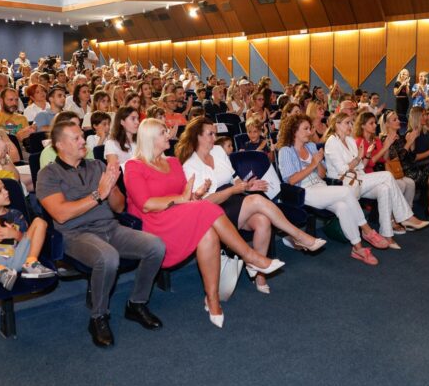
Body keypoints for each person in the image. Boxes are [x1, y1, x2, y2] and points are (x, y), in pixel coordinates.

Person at [124, 119, 284, 328]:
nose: (169, 135)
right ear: (150, 138)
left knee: (208, 233)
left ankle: (212, 298)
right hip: (154, 221)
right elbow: (146, 205)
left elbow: (186, 196)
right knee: (207, 208)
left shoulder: (172, 162)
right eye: (163, 132)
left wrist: (196, 194)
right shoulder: (134, 166)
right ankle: (251, 256)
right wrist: (183, 199)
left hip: (177, 215)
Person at [37, 121, 166, 347]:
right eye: (76, 138)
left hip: (110, 227)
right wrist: (98, 194)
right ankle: (98, 316)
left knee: (155, 246)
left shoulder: (97, 165)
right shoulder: (48, 174)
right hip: (75, 234)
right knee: (108, 257)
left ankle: (136, 303)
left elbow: (118, 207)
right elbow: (61, 214)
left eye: (82, 136)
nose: (83, 141)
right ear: (60, 145)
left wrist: (112, 188)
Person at [177, 117, 325, 293]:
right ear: (198, 136)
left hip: (235, 201)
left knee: (263, 220)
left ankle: (260, 274)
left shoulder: (217, 150)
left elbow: (234, 178)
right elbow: (204, 202)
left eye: (215, 133)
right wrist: (234, 190)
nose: (214, 138)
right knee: (256, 200)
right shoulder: (190, 164)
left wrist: (247, 186)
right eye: (210, 134)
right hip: (214, 212)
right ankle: (298, 236)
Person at [278, 114, 392, 265]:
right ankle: (367, 230)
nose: (310, 132)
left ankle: (358, 248)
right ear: (294, 131)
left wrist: (318, 163)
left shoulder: (311, 147)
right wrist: (313, 164)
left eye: (310, 128)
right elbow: (291, 180)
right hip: (303, 192)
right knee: (346, 191)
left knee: (343, 207)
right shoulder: (285, 151)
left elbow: (322, 174)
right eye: (305, 129)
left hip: (320, 187)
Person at [324, 112, 429, 249]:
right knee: (387, 175)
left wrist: (366, 155)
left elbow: (361, 166)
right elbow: (342, 170)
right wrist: (359, 157)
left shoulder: (349, 140)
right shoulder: (331, 142)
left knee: (385, 189)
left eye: (351, 122)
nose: (350, 125)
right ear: (337, 125)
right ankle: (406, 217)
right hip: (344, 185)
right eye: (347, 123)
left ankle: (387, 235)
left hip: (358, 180)